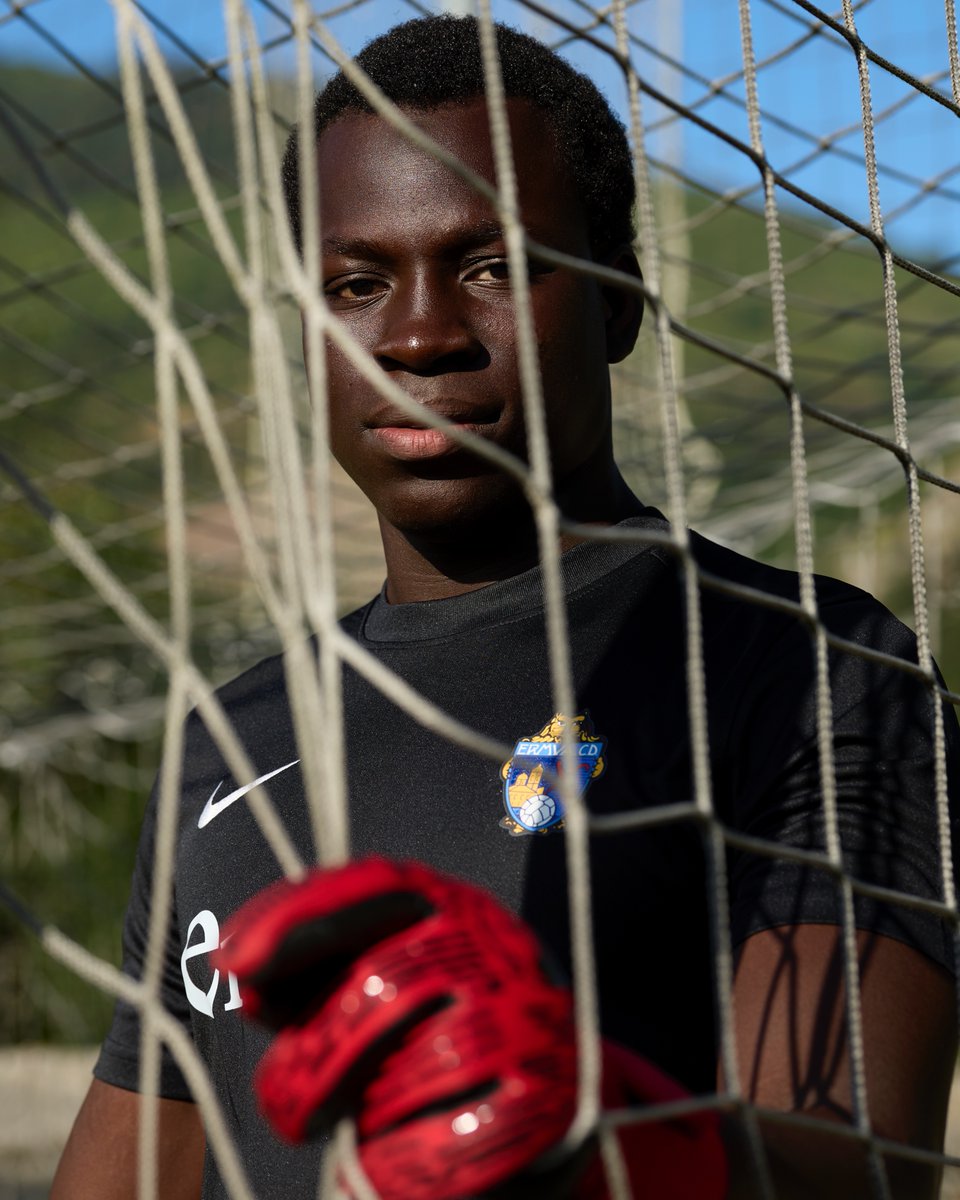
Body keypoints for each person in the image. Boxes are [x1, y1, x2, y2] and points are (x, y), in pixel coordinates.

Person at [52, 14, 959, 1200]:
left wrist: (590, 1126)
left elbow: (855, 1166)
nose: (421, 335)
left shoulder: (806, 669)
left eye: (495, 267)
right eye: (358, 284)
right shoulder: (230, 739)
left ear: (619, 302)